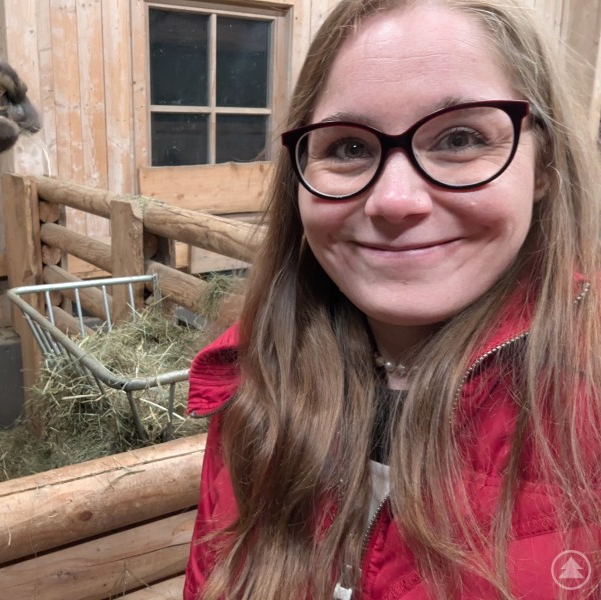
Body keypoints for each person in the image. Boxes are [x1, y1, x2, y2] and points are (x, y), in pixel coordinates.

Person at [183, 0, 601, 598]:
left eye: (460, 138)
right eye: (349, 148)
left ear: (543, 167)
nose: (395, 200)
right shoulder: (255, 380)